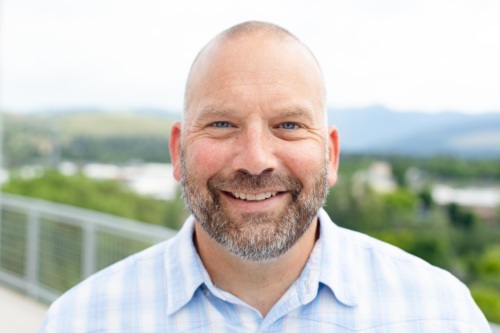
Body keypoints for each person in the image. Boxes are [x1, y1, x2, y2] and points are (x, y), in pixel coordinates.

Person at [38, 21, 490, 332]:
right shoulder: (82, 319)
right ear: (178, 151)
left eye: (288, 125)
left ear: (330, 154)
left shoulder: (439, 313)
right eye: (221, 124)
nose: (255, 160)